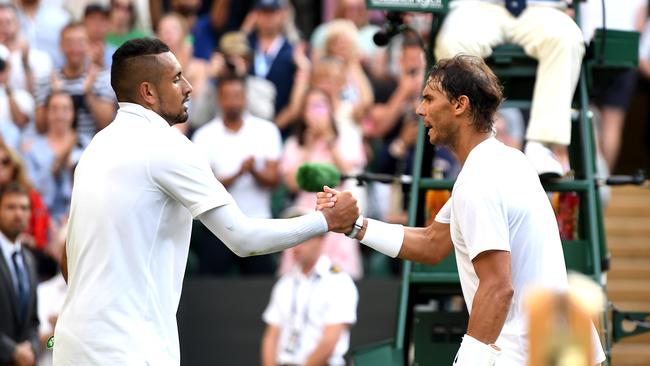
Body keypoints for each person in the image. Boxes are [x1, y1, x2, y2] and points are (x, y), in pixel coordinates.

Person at [52, 37, 359, 365]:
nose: (188, 87)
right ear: (148, 92)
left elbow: (69, 261)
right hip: (128, 351)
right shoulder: (168, 146)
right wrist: (325, 220)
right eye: (175, 78)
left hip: (72, 345)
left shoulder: (95, 149)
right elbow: (243, 239)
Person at [317, 55, 606, 365]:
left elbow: (497, 287)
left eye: (429, 98)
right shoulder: (508, 161)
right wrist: (354, 225)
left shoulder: (478, 181)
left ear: (459, 105)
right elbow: (431, 243)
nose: (419, 110)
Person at [435, 0, 585, 178]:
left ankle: (540, 148)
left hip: (540, 7)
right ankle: (471, 148)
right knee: (452, 42)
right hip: (476, 7)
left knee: (567, 38)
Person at [191, 73, 282, 275]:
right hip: (218, 227)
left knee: (261, 289)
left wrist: (254, 171)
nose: (233, 101)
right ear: (219, 99)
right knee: (210, 289)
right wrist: (238, 174)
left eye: (238, 95)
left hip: (259, 223)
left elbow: (274, 180)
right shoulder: (204, 135)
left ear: (245, 97)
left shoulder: (266, 130)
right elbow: (202, 188)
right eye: (227, 96)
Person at [261, 208, 358, 366]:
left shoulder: (339, 281)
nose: (295, 246)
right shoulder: (285, 283)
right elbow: (271, 337)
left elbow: (330, 340)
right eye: (292, 238)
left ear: (321, 238)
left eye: (302, 238)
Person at [0, 182, 40, 366]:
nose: (18, 214)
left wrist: (32, 348)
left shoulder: (30, 260)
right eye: (11, 207)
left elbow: (33, 320)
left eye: (24, 208)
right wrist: (12, 351)